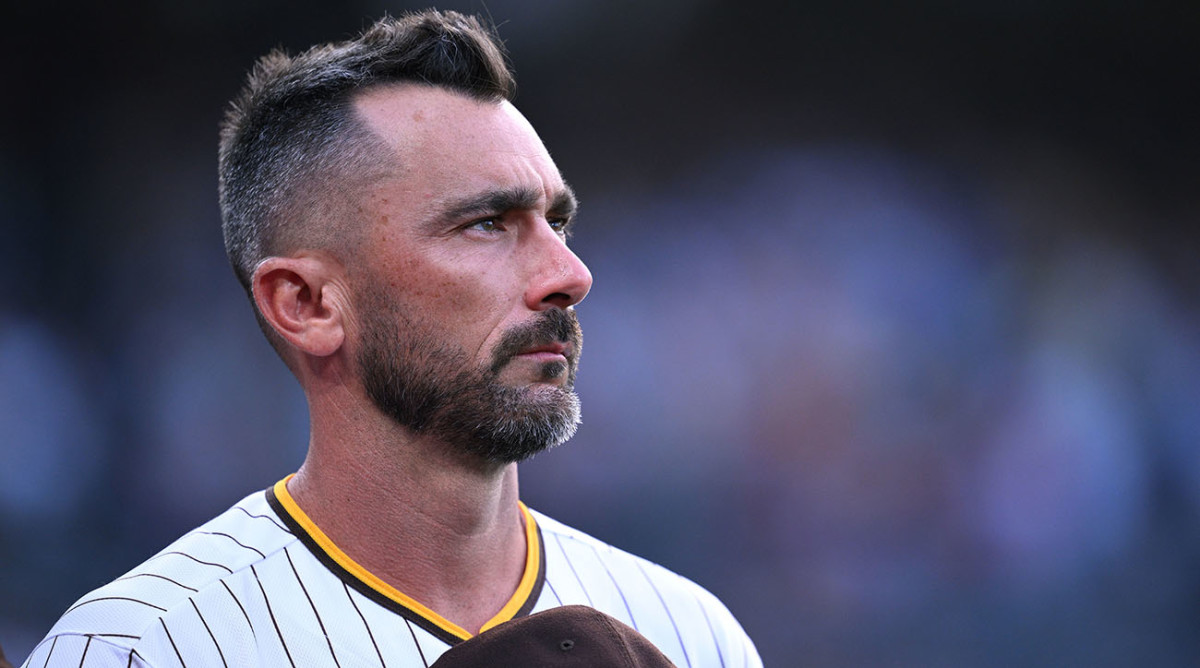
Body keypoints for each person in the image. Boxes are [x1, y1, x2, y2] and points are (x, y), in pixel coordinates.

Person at [22, 10, 761, 667]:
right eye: (487, 225)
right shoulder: (142, 647)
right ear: (306, 304)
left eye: (557, 222)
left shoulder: (688, 633)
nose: (570, 273)